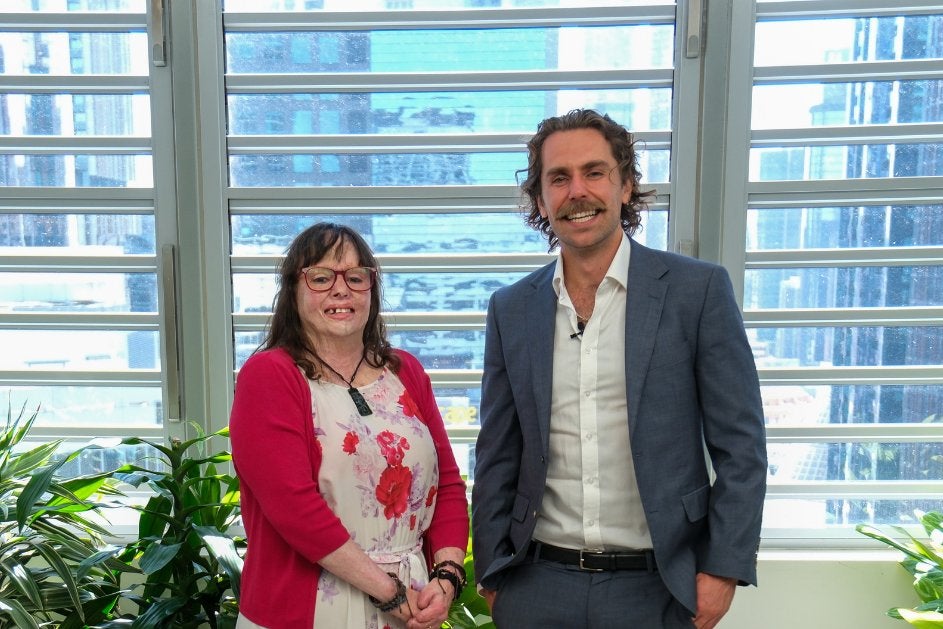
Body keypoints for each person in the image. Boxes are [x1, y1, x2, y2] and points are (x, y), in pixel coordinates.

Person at [471, 109, 767, 629]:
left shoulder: (696, 292)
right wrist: (492, 572)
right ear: (540, 199)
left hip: (659, 587)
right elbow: (498, 448)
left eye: (595, 172)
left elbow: (741, 445)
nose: (576, 191)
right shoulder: (511, 308)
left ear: (626, 185)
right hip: (536, 586)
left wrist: (723, 570)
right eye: (558, 178)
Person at [230, 222, 469, 629]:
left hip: (411, 609)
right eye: (321, 278)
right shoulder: (269, 375)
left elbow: (446, 483)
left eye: (356, 277)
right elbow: (295, 511)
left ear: (372, 290)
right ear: (294, 291)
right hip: (309, 609)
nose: (341, 290)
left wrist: (447, 577)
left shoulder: (405, 371)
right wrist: (387, 590)